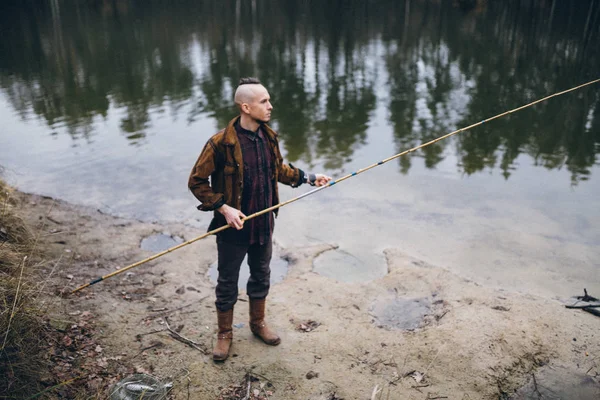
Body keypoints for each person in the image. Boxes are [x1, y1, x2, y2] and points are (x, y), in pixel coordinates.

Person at [188, 77, 331, 361]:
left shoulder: (269, 137)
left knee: (261, 274)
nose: (270, 106)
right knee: (227, 280)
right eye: (264, 101)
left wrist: (309, 177)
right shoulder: (219, 143)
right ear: (246, 106)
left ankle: (258, 324)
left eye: (268, 100)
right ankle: (225, 334)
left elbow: (279, 170)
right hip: (232, 228)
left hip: (264, 223)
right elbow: (197, 182)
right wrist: (224, 208)